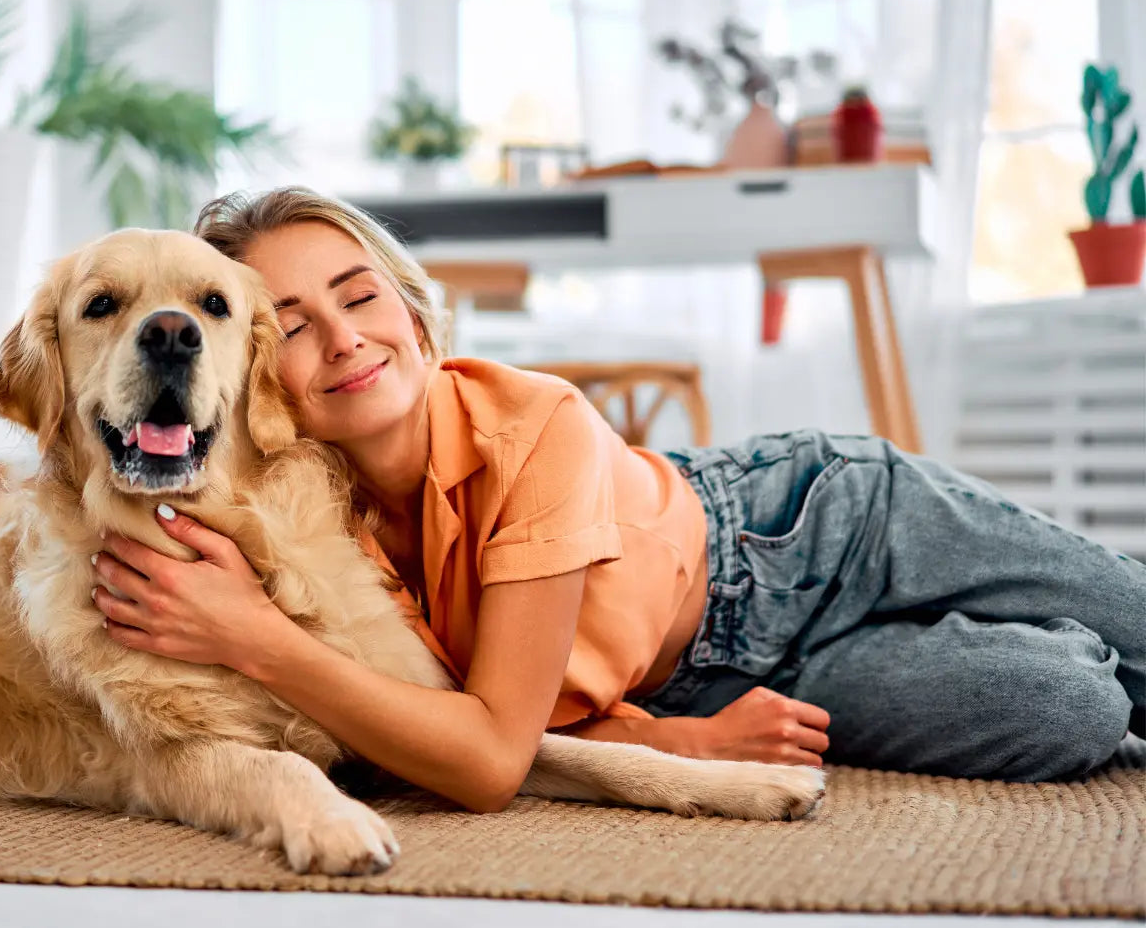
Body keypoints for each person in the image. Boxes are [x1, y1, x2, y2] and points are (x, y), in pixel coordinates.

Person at [90, 186, 1146, 812]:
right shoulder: (302, 527)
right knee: (1073, 709)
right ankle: (1058, 630)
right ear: (248, 373)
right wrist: (674, 735)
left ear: (413, 316)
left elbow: (491, 756)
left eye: (360, 298)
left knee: (1136, 625)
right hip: (700, 678)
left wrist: (255, 638)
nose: (344, 338)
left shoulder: (533, 423)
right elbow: (424, 738)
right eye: (293, 326)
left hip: (810, 527)